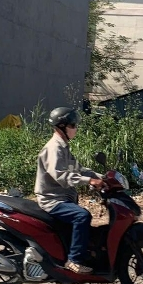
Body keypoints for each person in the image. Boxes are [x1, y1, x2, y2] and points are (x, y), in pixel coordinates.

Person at [34, 107, 105, 274]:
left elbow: (78, 169)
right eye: (72, 125)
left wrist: (103, 177)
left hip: (63, 198)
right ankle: (74, 260)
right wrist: (89, 181)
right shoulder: (54, 148)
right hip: (52, 200)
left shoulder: (63, 147)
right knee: (82, 216)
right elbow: (61, 176)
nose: (75, 129)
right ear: (61, 127)